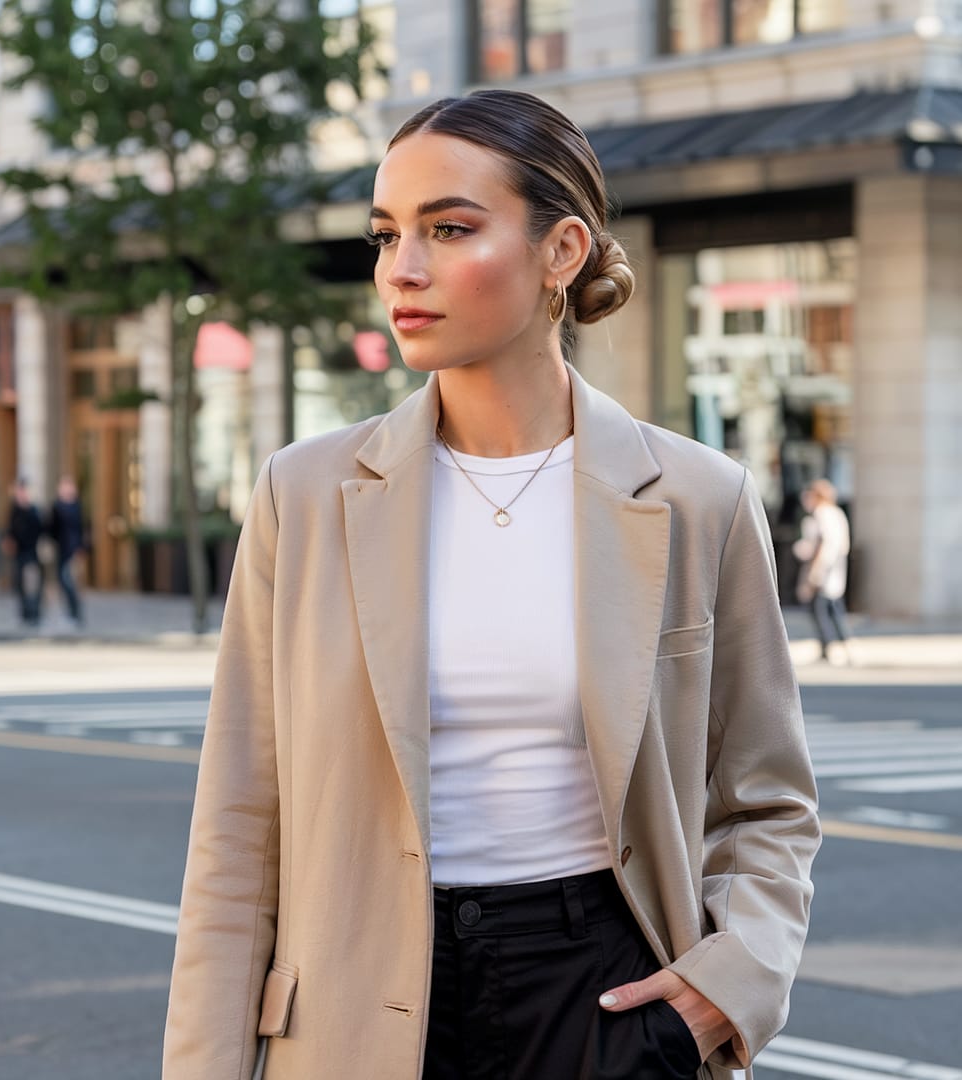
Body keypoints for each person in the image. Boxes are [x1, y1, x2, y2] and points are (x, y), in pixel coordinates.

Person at [163, 89, 820, 1080]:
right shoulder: (303, 495)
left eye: (450, 229)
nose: (403, 270)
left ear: (562, 252)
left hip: (603, 995)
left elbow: (768, 801)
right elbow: (238, 829)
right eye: (387, 236)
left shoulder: (698, 499)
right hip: (354, 1009)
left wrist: (729, 983)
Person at [794, 479, 853, 665]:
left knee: (822, 610)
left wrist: (815, 571)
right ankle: (838, 646)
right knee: (833, 609)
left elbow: (824, 544)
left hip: (824, 569)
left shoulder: (822, 514)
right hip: (834, 569)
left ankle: (831, 646)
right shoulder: (836, 513)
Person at [45, 475, 87, 626]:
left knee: (69, 581)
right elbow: (51, 528)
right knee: (63, 581)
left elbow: (81, 528)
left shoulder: (76, 506)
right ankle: (69, 612)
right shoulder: (57, 506)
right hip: (60, 549)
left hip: (73, 549)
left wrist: (81, 547)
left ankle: (75, 613)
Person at [4, 479, 46, 628]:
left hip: (31, 553)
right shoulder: (15, 509)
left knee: (33, 586)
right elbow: (10, 529)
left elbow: (41, 529)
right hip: (19, 553)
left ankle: (35, 614)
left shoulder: (33, 510)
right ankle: (25, 615)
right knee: (20, 585)